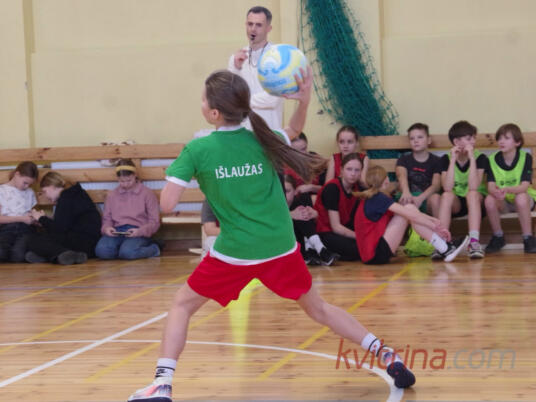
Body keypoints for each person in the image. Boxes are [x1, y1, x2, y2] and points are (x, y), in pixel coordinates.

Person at [126, 68, 415, 402]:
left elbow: (167, 204)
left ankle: (162, 383)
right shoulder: (265, 137)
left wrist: (181, 173)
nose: (201, 103)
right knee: (319, 309)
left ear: (214, 113)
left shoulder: (197, 149)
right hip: (281, 247)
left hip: (235, 252)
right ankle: (386, 354)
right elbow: (293, 130)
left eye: (203, 99)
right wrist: (303, 100)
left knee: (181, 305)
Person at [354, 166, 469, 265]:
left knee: (409, 209)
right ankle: (445, 247)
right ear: (386, 180)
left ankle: (444, 247)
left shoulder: (374, 197)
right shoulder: (378, 198)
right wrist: (435, 226)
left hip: (372, 255)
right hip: (376, 254)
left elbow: (412, 214)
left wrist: (432, 219)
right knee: (408, 209)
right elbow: (411, 215)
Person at [24, 172, 101, 265]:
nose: (45, 196)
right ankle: (59, 256)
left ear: (52, 187)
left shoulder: (65, 198)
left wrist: (41, 218)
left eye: (45, 191)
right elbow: (65, 224)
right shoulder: (76, 193)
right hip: (90, 243)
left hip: (81, 244)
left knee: (34, 240)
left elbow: (58, 230)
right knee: (41, 242)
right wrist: (44, 220)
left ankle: (63, 254)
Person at [437, 120, 488, 259]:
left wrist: (471, 158)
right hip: (457, 203)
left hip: (476, 202)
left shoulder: (480, 157)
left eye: (474, 138)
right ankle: (442, 244)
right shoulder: (446, 159)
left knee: (472, 194)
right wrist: (453, 160)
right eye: (469, 138)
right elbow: (447, 187)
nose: (473, 142)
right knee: (446, 195)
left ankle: (474, 242)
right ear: (456, 141)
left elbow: (474, 186)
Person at [228, 6, 283, 130]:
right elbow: (230, 95)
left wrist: (242, 102)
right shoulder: (236, 58)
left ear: (268, 29)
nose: (253, 29)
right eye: (250, 24)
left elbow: (273, 99)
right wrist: (236, 68)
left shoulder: (278, 57)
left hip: (270, 131)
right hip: (243, 130)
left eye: (259, 25)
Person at [484, 123, 536, 253]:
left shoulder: (526, 157)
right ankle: (498, 237)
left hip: (523, 200)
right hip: (504, 201)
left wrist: (506, 189)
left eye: (506, 138)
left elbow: (524, 186)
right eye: (499, 138)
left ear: (517, 142)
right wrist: (495, 192)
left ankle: (528, 238)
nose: (501, 141)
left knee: (521, 197)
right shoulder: (491, 160)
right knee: (489, 199)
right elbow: (490, 186)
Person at [95, 159, 161, 260]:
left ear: (135, 175)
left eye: (129, 180)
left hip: (138, 231)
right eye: (122, 181)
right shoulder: (112, 195)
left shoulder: (147, 194)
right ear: (117, 179)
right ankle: (123, 250)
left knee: (128, 253)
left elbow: (154, 222)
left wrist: (140, 231)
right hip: (117, 231)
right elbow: (107, 219)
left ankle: (154, 248)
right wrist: (107, 228)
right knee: (101, 251)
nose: (125, 184)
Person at [314, 153, 362, 261]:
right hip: (326, 233)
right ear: (341, 170)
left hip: (343, 230)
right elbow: (336, 227)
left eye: (357, 170)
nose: (353, 174)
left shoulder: (357, 189)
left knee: (368, 246)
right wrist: (360, 236)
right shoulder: (332, 188)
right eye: (349, 169)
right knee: (361, 249)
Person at [284, 175, 336, 265]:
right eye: (281, 191)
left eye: (287, 191)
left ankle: (310, 250)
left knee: (303, 200)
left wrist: (315, 215)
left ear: (295, 191)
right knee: (300, 211)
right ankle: (319, 248)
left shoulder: (298, 202)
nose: (284, 195)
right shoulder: (273, 204)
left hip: (300, 239)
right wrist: (290, 215)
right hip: (285, 241)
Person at [396, 123, 441, 216]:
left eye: (420, 137)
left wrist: (421, 198)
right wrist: (406, 191)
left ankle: (438, 226)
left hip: (426, 198)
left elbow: (436, 185)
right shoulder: (404, 158)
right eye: (412, 138)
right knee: (404, 200)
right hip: (408, 196)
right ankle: (414, 225)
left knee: (436, 198)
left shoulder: (437, 161)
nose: (416, 141)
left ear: (429, 140)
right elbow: (401, 176)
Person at [0, 161, 39, 262]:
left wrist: (35, 220)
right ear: (17, 174)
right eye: (25, 183)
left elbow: (32, 213)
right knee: (1, 252)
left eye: (30, 184)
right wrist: (21, 218)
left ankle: (32, 254)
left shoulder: (30, 192)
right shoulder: (2, 191)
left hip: (25, 230)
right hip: (6, 229)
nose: (27, 186)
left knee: (18, 256)